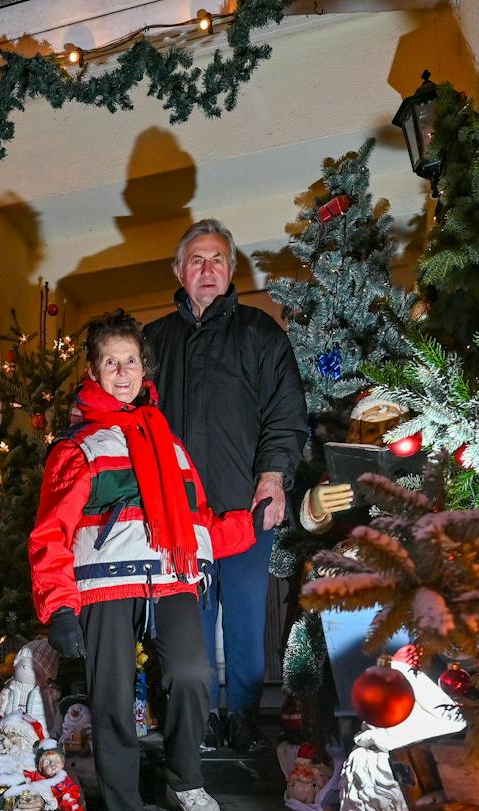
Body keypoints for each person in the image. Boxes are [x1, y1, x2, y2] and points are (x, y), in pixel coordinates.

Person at [30, 311, 255, 811]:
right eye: (111, 362)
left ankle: (185, 778)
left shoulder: (170, 445)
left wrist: (270, 520)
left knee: (193, 673)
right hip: (104, 587)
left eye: (130, 360)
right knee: (110, 705)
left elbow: (199, 522)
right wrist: (58, 605)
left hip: (172, 579)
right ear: (93, 371)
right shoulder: (78, 447)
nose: (122, 371)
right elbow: (50, 532)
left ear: (143, 367)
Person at [143, 219, 309, 753]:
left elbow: (286, 413)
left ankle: (239, 715)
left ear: (231, 269)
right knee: (190, 620)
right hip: (177, 517)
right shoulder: (154, 343)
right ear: (179, 272)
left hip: (245, 507)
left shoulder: (260, 334)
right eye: (196, 260)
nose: (207, 270)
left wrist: (273, 478)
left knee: (242, 616)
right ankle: (198, 721)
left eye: (217, 260)